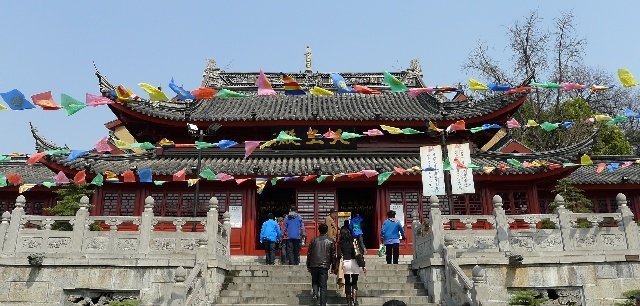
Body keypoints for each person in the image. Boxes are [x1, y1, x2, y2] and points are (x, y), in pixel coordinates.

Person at [307, 223, 336, 306]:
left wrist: (308, 265)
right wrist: (333, 266)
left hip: (314, 264)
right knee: (323, 286)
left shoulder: (313, 240)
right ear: (327, 231)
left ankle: (315, 294)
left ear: (319, 230)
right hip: (324, 265)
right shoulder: (330, 241)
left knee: (315, 281)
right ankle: (322, 304)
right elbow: (333, 255)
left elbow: (309, 253)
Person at [337, 227, 366, 306]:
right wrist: (363, 265)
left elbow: (339, 255)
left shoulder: (341, 243)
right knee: (354, 282)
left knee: (347, 282)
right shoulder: (354, 241)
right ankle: (355, 300)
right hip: (355, 263)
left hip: (346, 263)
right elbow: (359, 252)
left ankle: (349, 302)